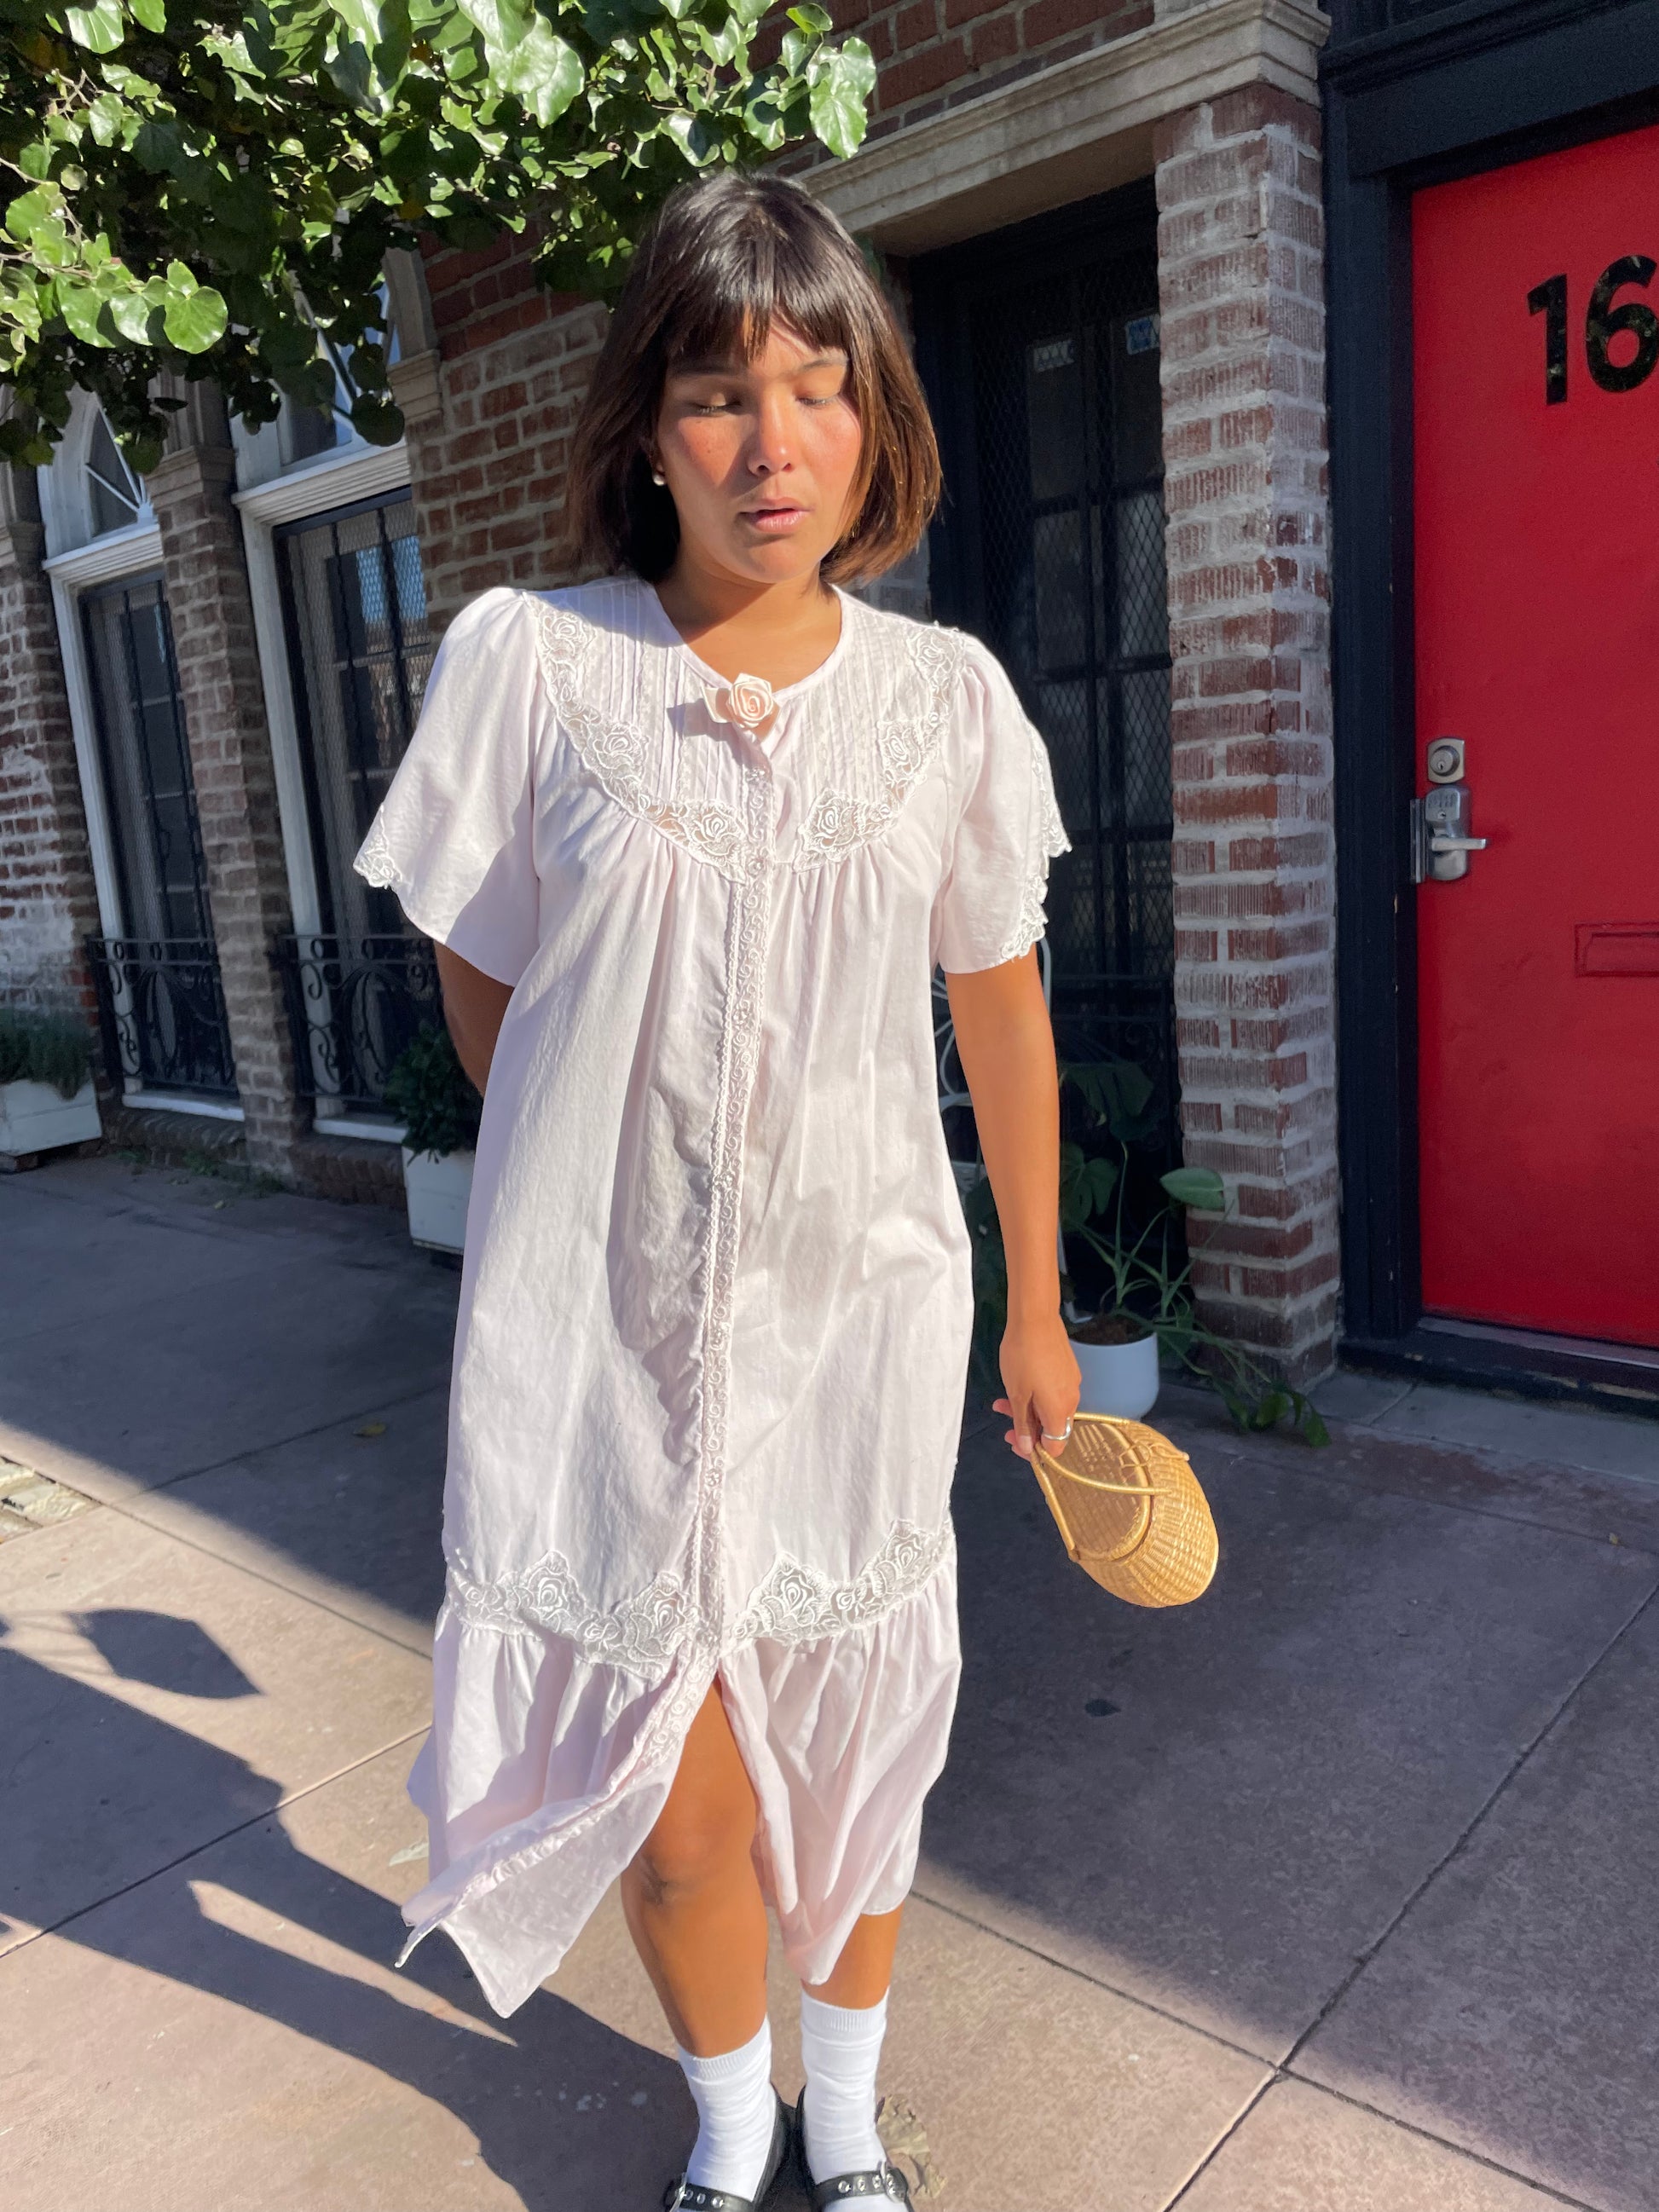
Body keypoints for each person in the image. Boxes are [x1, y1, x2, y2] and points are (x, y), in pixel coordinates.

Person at [354, 170, 1080, 2209]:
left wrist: (1036, 1304)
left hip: (854, 1327)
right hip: (593, 1351)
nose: (775, 443)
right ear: (641, 431)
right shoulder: (533, 669)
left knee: (848, 1774)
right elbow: (499, 1006)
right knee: (670, 1817)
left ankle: (843, 2140)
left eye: (821, 386)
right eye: (716, 392)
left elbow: (1000, 1016)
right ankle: (732, 2121)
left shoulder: (942, 705)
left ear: (879, 422)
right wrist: (616, 1198)